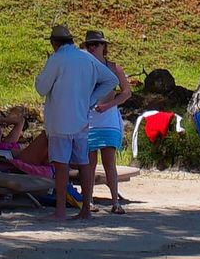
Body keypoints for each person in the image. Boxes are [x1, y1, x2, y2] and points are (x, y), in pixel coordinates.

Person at [33, 22, 120, 219]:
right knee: (83, 163)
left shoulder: (57, 59)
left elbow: (41, 88)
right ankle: (86, 210)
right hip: (82, 119)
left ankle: (61, 210)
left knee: (61, 165)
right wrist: (91, 99)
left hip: (60, 120)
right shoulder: (86, 58)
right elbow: (111, 80)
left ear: (54, 43)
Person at [82, 30, 134, 212]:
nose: (92, 48)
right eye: (89, 45)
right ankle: (88, 202)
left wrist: (109, 105)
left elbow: (127, 92)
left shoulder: (113, 67)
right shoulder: (83, 68)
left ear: (104, 46)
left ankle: (115, 202)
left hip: (108, 118)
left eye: (96, 44)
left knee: (109, 161)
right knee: (89, 162)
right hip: (89, 119)